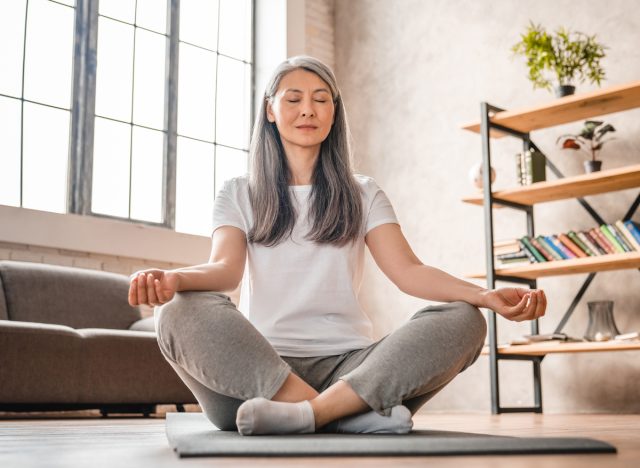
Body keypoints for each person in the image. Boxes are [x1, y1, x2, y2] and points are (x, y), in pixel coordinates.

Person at [128, 55, 547, 436]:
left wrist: (483, 295)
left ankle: (313, 413)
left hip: (351, 369)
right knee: (178, 309)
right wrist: (173, 278)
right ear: (270, 111)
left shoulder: (363, 193)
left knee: (465, 320)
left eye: (320, 99)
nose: (307, 109)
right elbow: (224, 271)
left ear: (334, 113)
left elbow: (410, 272)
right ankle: (339, 414)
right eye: (293, 99)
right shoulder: (239, 191)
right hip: (254, 374)